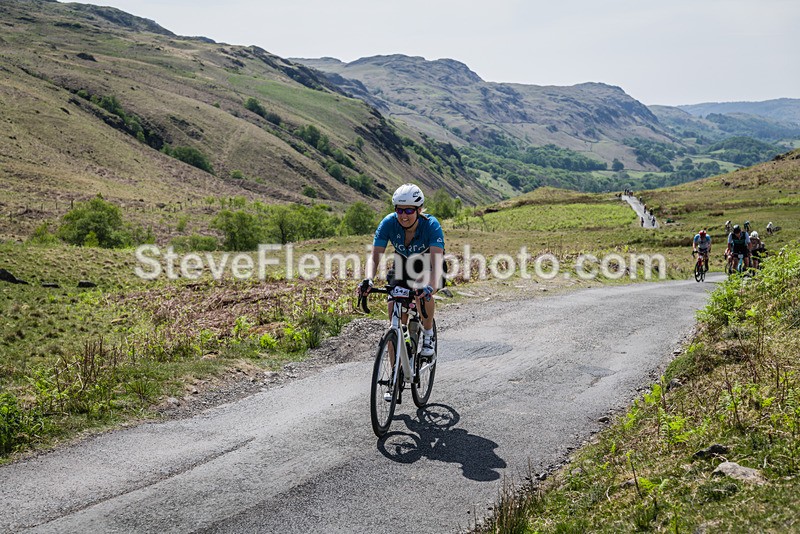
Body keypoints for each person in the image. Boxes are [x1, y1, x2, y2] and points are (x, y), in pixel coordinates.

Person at [358, 184, 444, 358]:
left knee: (422, 292)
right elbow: (374, 257)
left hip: (428, 264)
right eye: (399, 210)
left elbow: (436, 266)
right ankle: (394, 378)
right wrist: (368, 279)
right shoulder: (389, 223)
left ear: (419, 210)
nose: (403, 216)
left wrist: (429, 287)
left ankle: (428, 335)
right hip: (403, 264)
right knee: (394, 317)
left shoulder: (431, 225)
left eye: (409, 211)